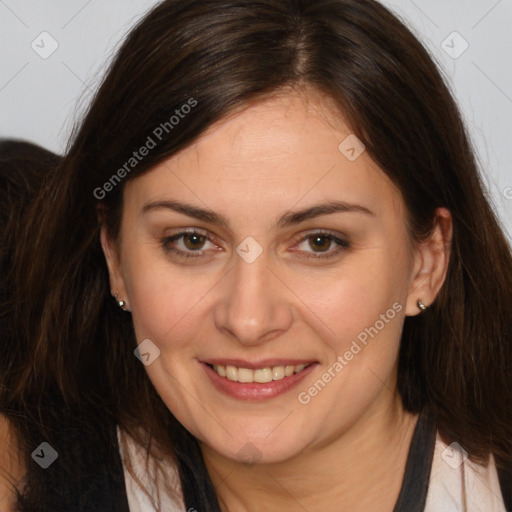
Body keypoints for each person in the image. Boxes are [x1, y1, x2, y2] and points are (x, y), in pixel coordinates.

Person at [1, 0, 511, 510]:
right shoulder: (25, 477)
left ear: (426, 262)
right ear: (115, 258)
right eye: (192, 241)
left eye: (319, 242)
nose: (248, 320)